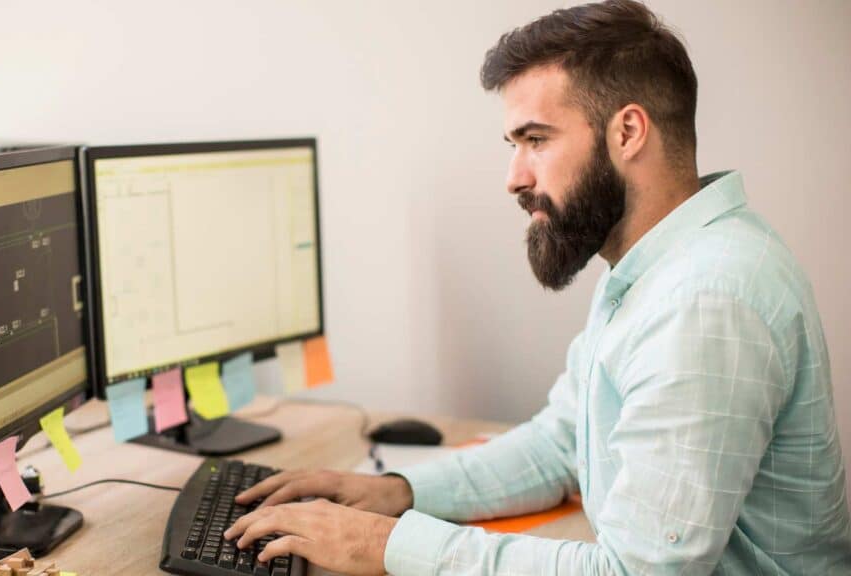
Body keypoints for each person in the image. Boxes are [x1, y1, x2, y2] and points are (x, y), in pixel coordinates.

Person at [224, 1, 851, 573]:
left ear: (627, 132)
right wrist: (399, 494)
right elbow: (563, 445)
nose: (513, 176)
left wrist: (382, 545)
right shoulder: (655, 266)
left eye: (536, 140)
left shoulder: (707, 299)